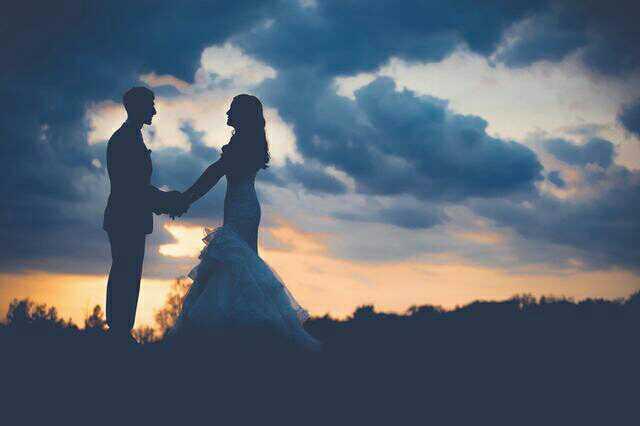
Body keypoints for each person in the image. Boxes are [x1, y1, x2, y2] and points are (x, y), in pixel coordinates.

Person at [174, 94, 320, 350]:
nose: (227, 113)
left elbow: (214, 173)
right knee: (237, 264)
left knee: (236, 262)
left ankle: (237, 334)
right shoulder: (245, 143)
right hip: (244, 206)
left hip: (242, 209)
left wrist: (185, 198)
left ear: (242, 115)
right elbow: (216, 173)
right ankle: (241, 334)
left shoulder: (241, 145)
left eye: (231, 110)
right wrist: (186, 198)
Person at [103, 86, 188, 344]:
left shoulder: (131, 137)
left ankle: (121, 332)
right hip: (125, 218)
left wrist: (166, 201)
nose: (154, 111)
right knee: (126, 274)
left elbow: (137, 188)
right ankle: (119, 333)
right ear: (138, 107)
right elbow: (133, 188)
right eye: (150, 105)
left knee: (128, 275)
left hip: (129, 217)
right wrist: (169, 201)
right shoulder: (125, 139)